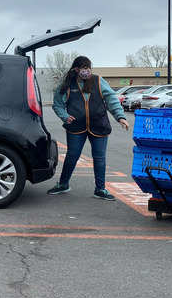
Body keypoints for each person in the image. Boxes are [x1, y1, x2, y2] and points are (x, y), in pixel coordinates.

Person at [47, 56, 129, 200]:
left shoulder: (98, 81)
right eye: (83, 68)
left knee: (99, 158)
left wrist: (120, 117)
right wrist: (64, 116)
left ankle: (100, 189)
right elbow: (58, 104)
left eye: (88, 68)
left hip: (99, 126)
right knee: (72, 156)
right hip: (76, 127)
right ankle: (63, 184)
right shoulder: (67, 84)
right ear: (76, 69)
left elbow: (111, 99)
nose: (86, 71)